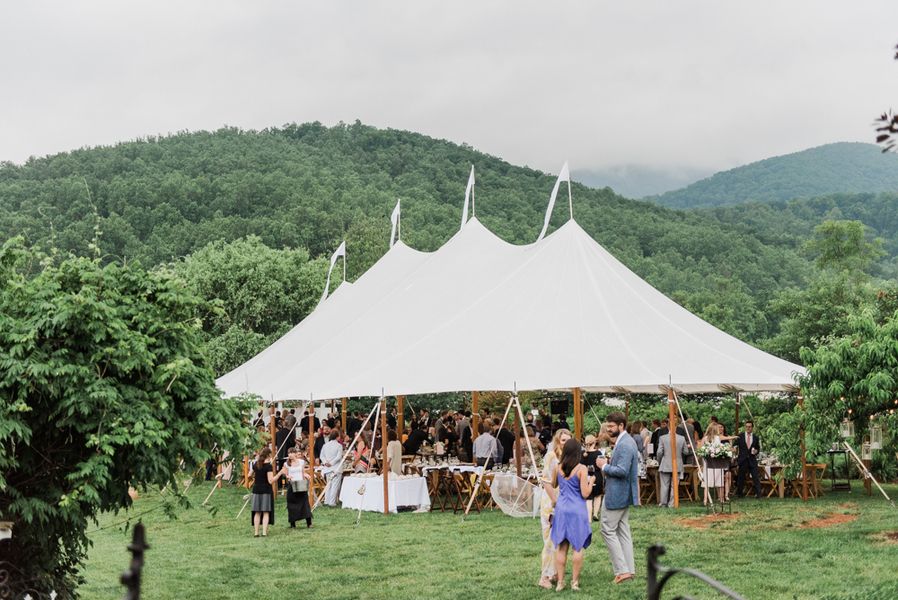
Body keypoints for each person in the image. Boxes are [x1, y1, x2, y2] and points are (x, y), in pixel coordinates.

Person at [544, 438, 594, 592]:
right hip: (577, 509)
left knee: (561, 548)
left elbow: (553, 485)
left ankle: (560, 583)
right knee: (577, 548)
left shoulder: (558, 468)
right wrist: (591, 482)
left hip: (561, 509)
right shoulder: (581, 469)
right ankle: (574, 582)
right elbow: (585, 494)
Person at [596, 412, 639, 585]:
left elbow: (622, 471)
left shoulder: (626, 444)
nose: (608, 429)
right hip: (622, 493)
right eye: (608, 425)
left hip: (617, 494)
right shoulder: (624, 441)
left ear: (621, 426)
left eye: (611, 426)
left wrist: (604, 465)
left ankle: (622, 571)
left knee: (607, 529)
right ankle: (629, 569)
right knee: (623, 531)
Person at [538, 428, 571, 589]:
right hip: (551, 502)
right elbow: (546, 482)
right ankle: (544, 576)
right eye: (563, 440)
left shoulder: (569, 458)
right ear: (558, 441)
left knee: (561, 540)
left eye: (568, 440)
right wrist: (555, 501)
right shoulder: (551, 457)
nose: (566, 443)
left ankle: (555, 572)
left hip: (565, 501)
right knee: (550, 540)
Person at [251, 447, 286, 537]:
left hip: (256, 490)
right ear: (269, 455)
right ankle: (264, 533)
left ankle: (256, 532)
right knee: (266, 512)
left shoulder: (256, 464)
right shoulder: (268, 466)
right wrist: (280, 473)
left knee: (257, 512)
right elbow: (270, 480)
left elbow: (249, 475)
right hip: (266, 490)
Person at [656, 424, 687, 508]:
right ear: (676, 427)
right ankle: (672, 504)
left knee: (664, 485)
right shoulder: (682, 438)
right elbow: (686, 452)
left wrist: (660, 461)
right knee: (674, 486)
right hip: (678, 464)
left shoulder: (662, 438)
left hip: (665, 463)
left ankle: (663, 503)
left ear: (668, 427)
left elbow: (659, 452)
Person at [734, 420, 762, 499]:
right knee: (741, 477)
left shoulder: (756, 437)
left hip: (752, 459)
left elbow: (757, 448)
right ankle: (740, 494)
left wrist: (756, 451)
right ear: (745, 427)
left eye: (749, 427)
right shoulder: (740, 436)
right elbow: (734, 445)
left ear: (752, 427)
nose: (748, 428)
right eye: (746, 427)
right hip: (742, 460)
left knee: (755, 477)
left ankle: (759, 494)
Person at [285, 448, 312, 529]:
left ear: (295, 454)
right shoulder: (286, 464)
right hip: (292, 485)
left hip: (301, 484)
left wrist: (306, 475)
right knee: (291, 505)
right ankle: (292, 524)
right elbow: (286, 474)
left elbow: (303, 472)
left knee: (305, 504)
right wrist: (288, 476)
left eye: (291, 453)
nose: (290, 455)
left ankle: (309, 523)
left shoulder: (301, 462)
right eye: (289, 453)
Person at [580, 434, 604, 522]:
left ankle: (589, 518)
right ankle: (595, 514)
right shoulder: (598, 453)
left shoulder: (582, 453)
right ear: (594, 442)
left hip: (585, 477)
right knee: (597, 496)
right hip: (597, 476)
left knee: (588, 498)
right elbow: (602, 465)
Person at [319, 429, 344, 506]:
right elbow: (339, 457)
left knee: (328, 485)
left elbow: (321, 456)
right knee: (334, 485)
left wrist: (326, 462)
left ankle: (327, 500)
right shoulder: (339, 446)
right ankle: (332, 502)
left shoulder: (325, 445)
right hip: (336, 468)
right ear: (337, 437)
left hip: (327, 468)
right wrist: (331, 463)